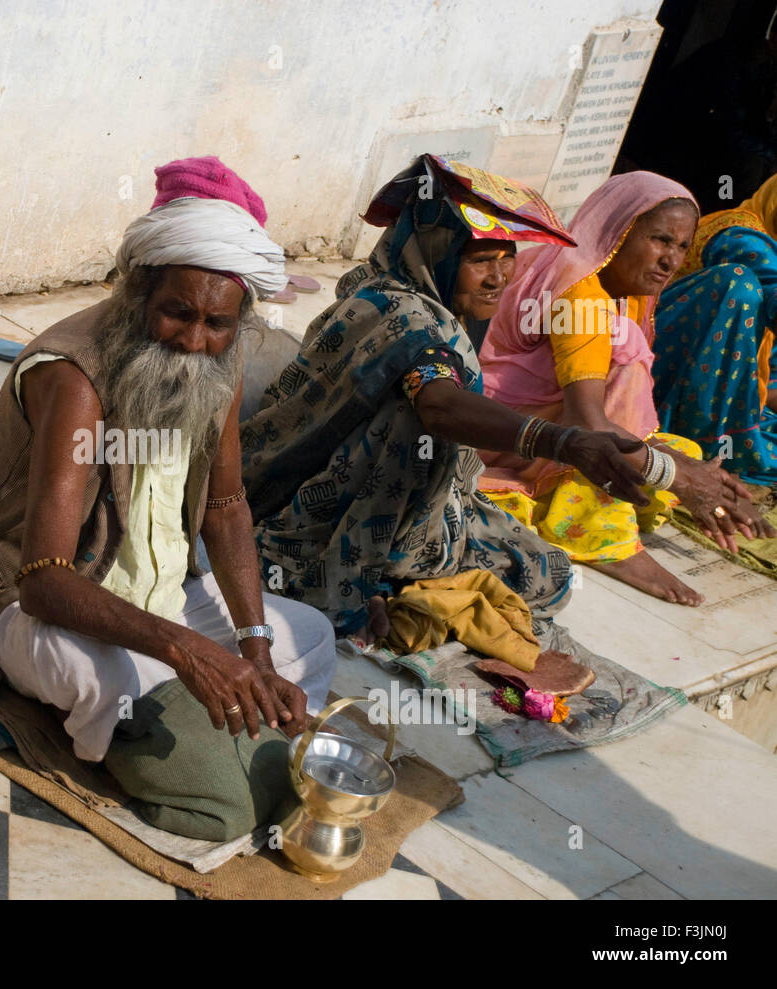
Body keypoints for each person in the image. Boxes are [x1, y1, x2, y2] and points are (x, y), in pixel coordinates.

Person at [0, 156, 336, 784]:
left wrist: (254, 651)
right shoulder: (75, 376)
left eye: (217, 323)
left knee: (308, 633)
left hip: (159, 598)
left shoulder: (218, 364)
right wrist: (189, 651)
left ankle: (175, 704)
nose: (193, 339)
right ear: (138, 291)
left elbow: (225, 510)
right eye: (178, 312)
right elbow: (43, 580)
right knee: (105, 675)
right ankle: (150, 713)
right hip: (15, 599)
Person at [242, 154, 655, 637]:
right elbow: (438, 404)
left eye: (507, 260)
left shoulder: (385, 286)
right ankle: (364, 578)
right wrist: (561, 442)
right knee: (425, 431)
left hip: (362, 487)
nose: (499, 278)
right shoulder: (411, 319)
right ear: (436, 254)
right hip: (321, 505)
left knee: (553, 572)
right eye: (480, 260)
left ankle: (391, 570)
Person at [477, 172, 773, 606]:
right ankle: (601, 536)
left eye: (681, 247)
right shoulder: (582, 293)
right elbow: (588, 426)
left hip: (525, 421)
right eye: (659, 240)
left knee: (682, 453)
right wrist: (680, 480)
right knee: (634, 404)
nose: (671, 261)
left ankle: (689, 482)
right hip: (503, 435)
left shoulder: (597, 280)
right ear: (618, 231)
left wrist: (691, 473)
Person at [653, 172, 777, 482]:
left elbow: (767, 378)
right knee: (738, 285)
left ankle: (725, 443)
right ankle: (707, 448)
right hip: (653, 369)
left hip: (727, 400)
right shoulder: (738, 234)